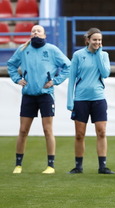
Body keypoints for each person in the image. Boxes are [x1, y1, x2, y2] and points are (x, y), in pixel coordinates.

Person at [8, 25, 71, 174]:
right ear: (31, 34)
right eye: (33, 31)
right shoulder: (23, 49)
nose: (35, 32)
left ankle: (51, 166)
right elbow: (11, 65)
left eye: (38, 31)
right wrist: (17, 79)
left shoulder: (52, 50)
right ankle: (18, 165)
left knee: (47, 130)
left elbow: (68, 65)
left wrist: (55, 81)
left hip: (46, 95)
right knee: (23, 130)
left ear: (44, 35)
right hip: (28, 95)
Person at [67, 28, 114, 174]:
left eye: (100, 40)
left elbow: (105, 73)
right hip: (80, 99)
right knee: (80, 134)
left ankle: (102, 166)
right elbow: (72, 79)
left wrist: (99, 53)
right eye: (95, 40)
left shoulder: (104, 55)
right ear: (88, 40)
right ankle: (78, 166)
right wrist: (70, 100)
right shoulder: (78, 55)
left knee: (101, 132)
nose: (97, 42)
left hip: (98, 98)